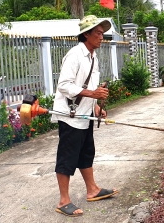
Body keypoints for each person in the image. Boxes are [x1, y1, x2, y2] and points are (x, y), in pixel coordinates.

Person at [51, 15, 118, 217]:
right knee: (67, 157)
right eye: (98, 33)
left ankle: (93, 190)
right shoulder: (75, 55)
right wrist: (93, 94)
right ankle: (64, 201)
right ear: (86, 34)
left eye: (102, 34)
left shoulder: (93, 56)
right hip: (69, 115)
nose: (101, 37)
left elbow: (89, 87)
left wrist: (96, 107)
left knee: (86, 153)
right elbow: (64, 85)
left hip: (84, 115)